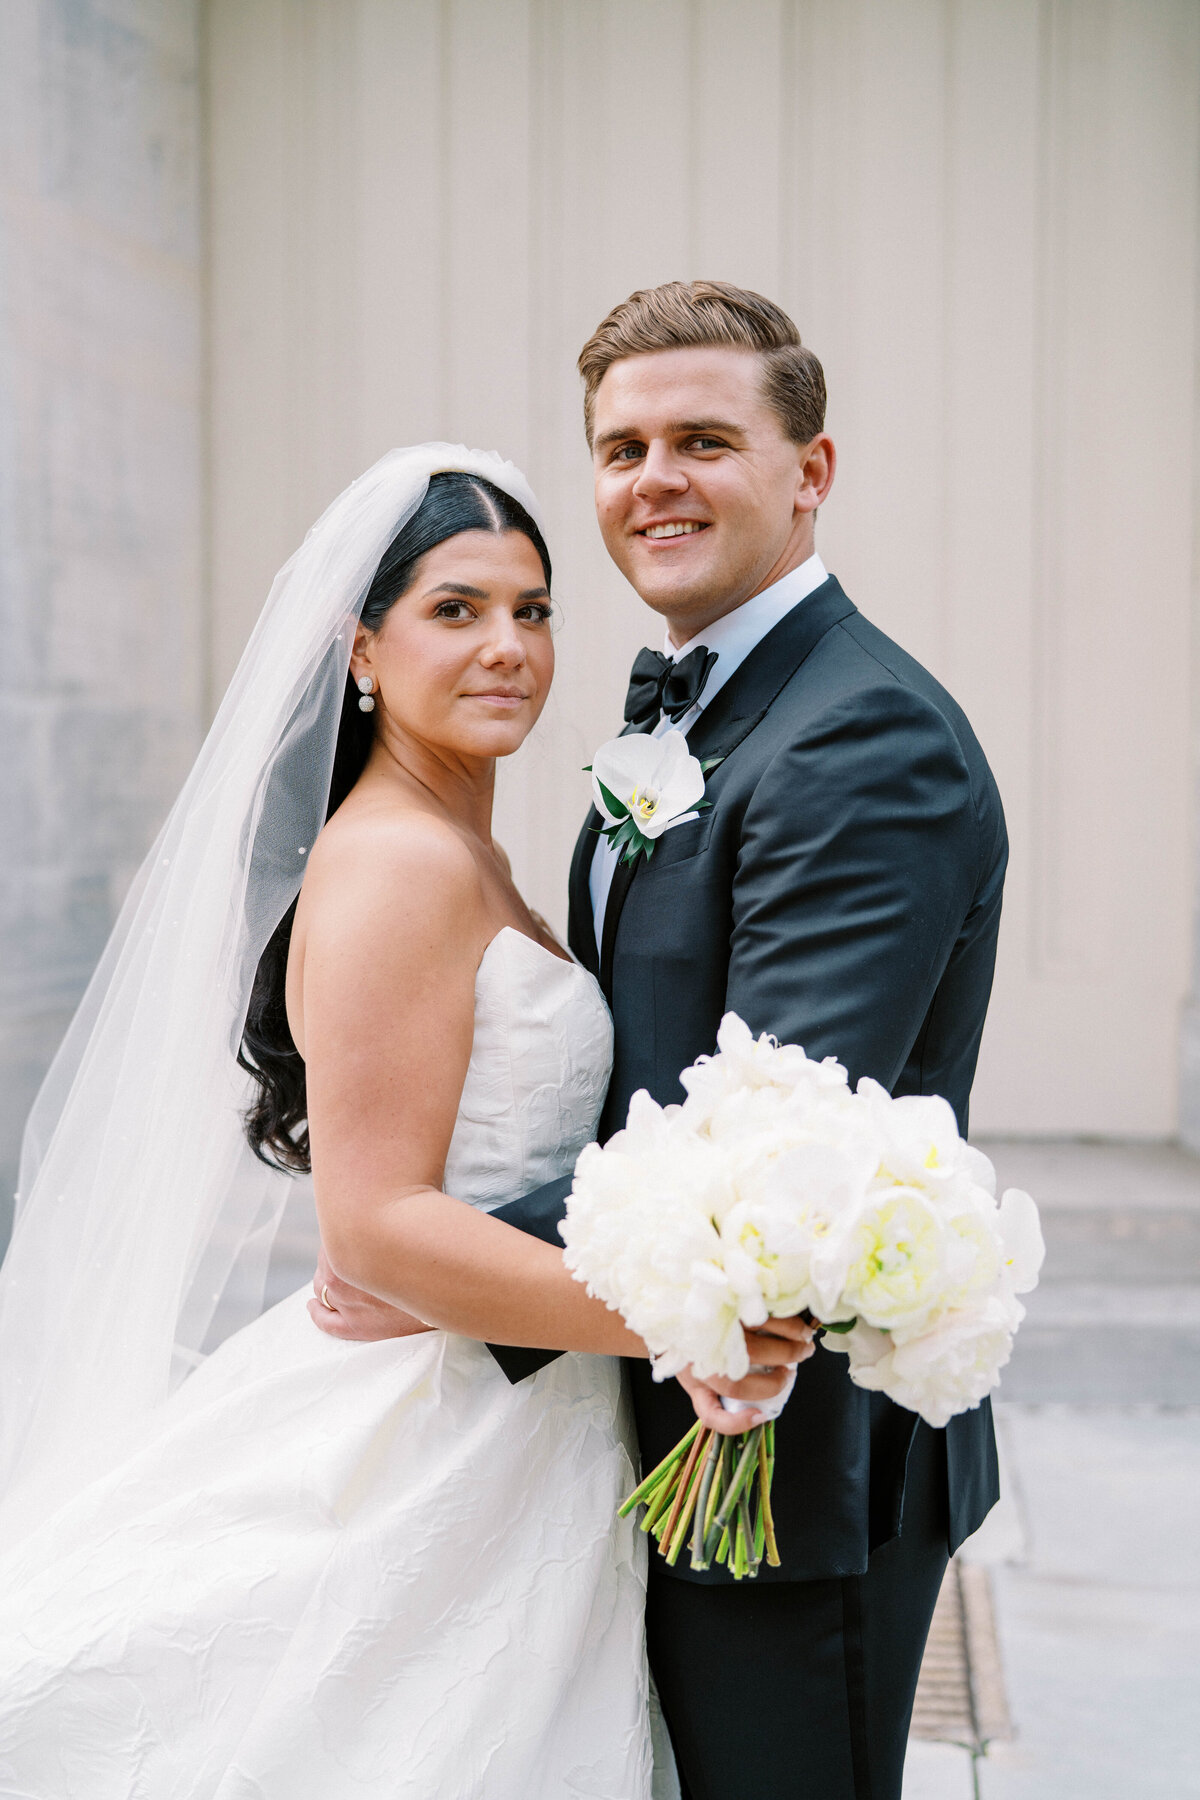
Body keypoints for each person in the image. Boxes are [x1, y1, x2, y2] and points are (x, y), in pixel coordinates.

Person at [0, 444, 810, 1798]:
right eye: (456, 609)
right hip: (425, 1430)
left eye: (533, 610)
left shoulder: (465, 847)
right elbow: (375, 1230)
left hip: (518, 1420)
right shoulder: (397, 862)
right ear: (362, 648)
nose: (508, 647)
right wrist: (692, 1317)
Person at [318, 283, 1008, 1800]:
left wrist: (430, 1252)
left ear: (810, 472)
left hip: (784, 1461)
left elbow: (778, 1151)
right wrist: (418, 1239)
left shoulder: (859, 738)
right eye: (623, 449)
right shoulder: (703, 718)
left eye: (704, 440)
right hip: (626, 1413)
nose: (655, 480)